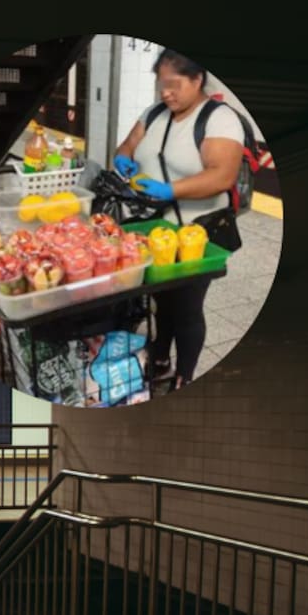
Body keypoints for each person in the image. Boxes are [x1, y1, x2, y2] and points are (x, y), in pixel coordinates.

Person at [113, 48, 245, 389]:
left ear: (197, 79)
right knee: (162, 300)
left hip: (196, 231)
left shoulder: (219, 119)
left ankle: (184, 377)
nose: (166, 93)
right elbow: (126, 146)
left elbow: (222, 176)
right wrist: (123, 159)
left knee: (186, 307)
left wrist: (170, 190)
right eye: (162, 85)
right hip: (155, 228)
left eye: (174, 84)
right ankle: (159, 361)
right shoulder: (154, 113)